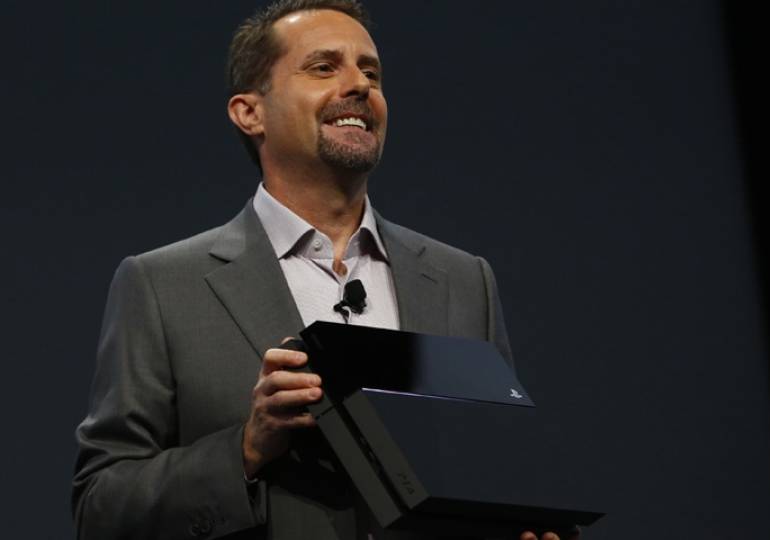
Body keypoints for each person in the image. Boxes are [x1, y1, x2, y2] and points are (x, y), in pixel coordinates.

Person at [72, 2, 566, 539]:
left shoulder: (463, 280)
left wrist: (529, 524)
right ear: (249, 112)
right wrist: (247, 447)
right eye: (324, 67)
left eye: (371, 72)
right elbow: (101, 507)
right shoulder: (164, 287)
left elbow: (503, 478)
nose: (359, 85)